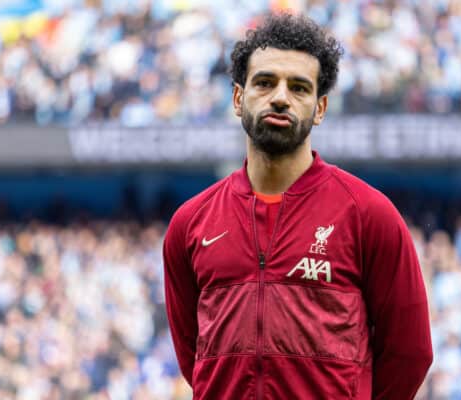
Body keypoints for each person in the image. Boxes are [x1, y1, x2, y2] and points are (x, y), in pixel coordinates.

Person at [163, 13, 433, 399]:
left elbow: (410, 353)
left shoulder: (369, 215)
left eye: (299, 87)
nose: (280, 97)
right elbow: (195, 357)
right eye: (265, 82)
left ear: (319, 108)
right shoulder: (189, 224)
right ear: (239, 98)